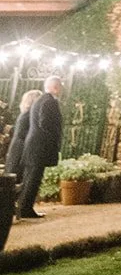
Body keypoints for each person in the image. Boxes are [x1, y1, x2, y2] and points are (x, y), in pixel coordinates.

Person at [16, 77, 63, 219]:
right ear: (55, 87)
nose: (61, 89)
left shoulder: (39, 101)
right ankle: (25, 209)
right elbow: (46, 123)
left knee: (31, 177)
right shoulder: (49, 101)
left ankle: (23, 207)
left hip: (34, 145)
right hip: (40, 146)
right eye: (60, 86)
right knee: (34, 178)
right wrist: (55, 136)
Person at [5, 89, 40, 179]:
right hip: (21, 151)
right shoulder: (28, 116)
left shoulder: (27, 115)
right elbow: (23, 134)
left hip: (19, 150)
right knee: (16, 178)